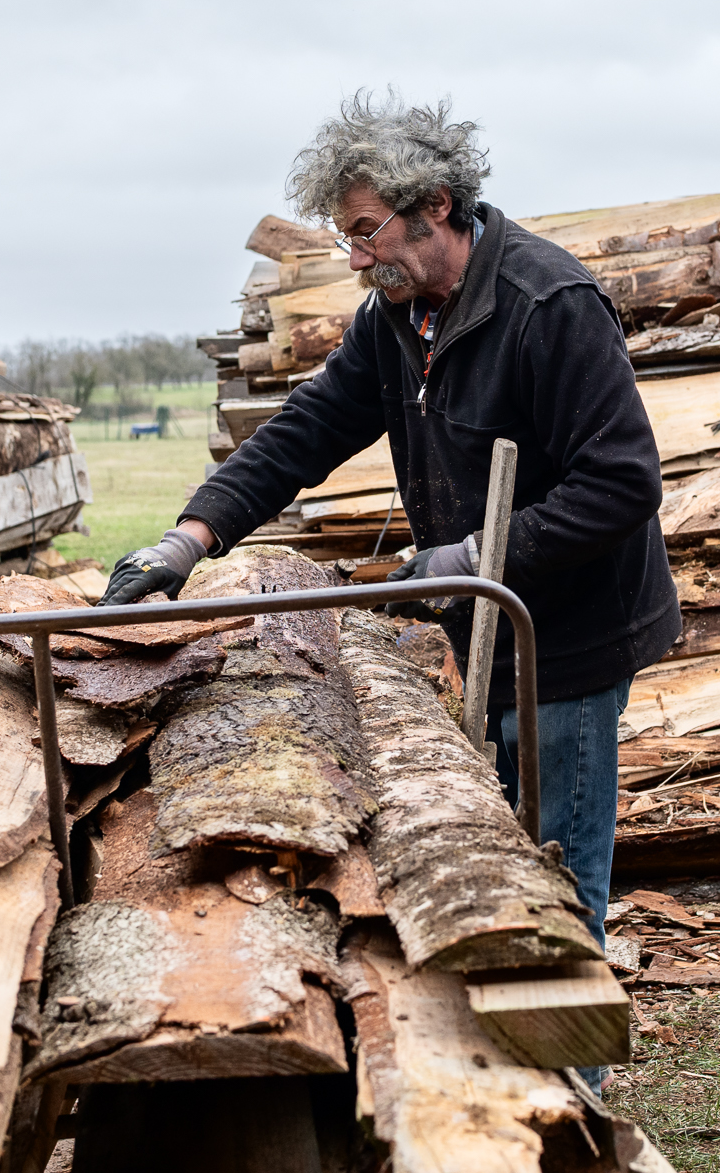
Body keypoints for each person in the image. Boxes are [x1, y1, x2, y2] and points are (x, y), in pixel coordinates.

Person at [100, 90, 677, 964]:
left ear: (435, 206)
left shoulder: (547, 305)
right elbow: (306, 429)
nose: (358, 254)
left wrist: (478, 555)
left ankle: (569, 1078)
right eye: (347, 236)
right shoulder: (398, 316)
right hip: (482, 621)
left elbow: (624, 480)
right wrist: (189, 538)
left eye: (367, 230)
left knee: (558, 871)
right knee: (498, 849)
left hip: (571, 635)